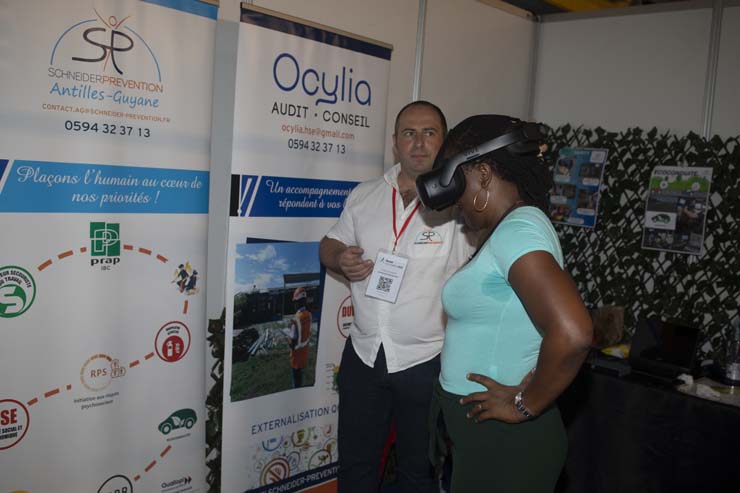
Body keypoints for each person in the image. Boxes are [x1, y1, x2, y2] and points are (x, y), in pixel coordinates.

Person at [423, 115, 593, 492]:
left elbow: (572, 333)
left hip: (506, 444)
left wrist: (524, 404)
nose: (456, 202)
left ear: (483, 174)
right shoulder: (510, 229)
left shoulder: (517, 231)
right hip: (488, 440)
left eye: (458, 185)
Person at [319, 101, 477, 493]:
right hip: (363, 355)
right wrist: (339, 258)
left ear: (444, 141)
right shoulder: (365, 194)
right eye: (409, 133)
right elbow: (329, 242)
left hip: (426, 360)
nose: (419, 143)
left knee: (418, 473)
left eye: (429, 133)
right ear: (395, 142)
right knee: (355, 468)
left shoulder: (461, 205)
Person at [288, 287, 311, 388]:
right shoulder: (309, 315)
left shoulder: (295, 319)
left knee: (296, 383)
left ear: (297, 302)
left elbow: (292, 342)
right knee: (300, 378)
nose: (294, 304)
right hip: (304, 354)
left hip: (296, 357)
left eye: (295, 302)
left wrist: (288, 338)